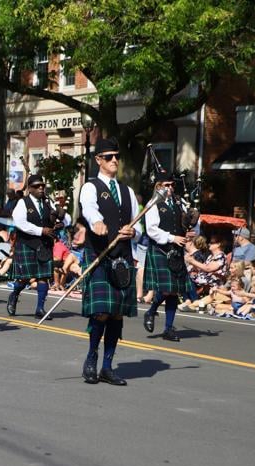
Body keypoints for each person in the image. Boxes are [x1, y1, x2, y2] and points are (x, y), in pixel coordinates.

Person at [78, 137, 141, 386]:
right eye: (108, 157)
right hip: (100, 255)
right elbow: (88, 208)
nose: (114, 160)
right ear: (98, 160)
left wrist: (133, 232)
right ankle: (92, 358)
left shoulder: (128, 192)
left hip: (122, 258)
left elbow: (139, 224)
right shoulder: (90, 186)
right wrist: (97, 222)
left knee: (116, 315)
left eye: (116, 156)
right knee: (102, 312)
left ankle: (107, 367)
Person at [142, 169, 193, 342]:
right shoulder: (153, 203)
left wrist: (191, 231)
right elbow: (151, 230)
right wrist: (172, 237)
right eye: (166, 185)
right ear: (158, 186)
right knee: (167, 289)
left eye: (172, 185)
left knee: (175, 290)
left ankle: (168, 329)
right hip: (161, 249)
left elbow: (189, 222)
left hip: (176, 251)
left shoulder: (179, 202)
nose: (170, 188)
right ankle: (151, 310)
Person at [6, 175, 56, 319]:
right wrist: (41, 230)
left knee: (43, 277)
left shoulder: (48, 203)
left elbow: (64, 219)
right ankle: (14, 295)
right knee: (24, 278)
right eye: (36, 186)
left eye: (42, 185)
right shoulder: (23, 203)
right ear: (29, 189)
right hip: (27, 244)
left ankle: (40, 309)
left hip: (44, 244)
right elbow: (20, 223)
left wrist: (60, 217)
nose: (40, 188)